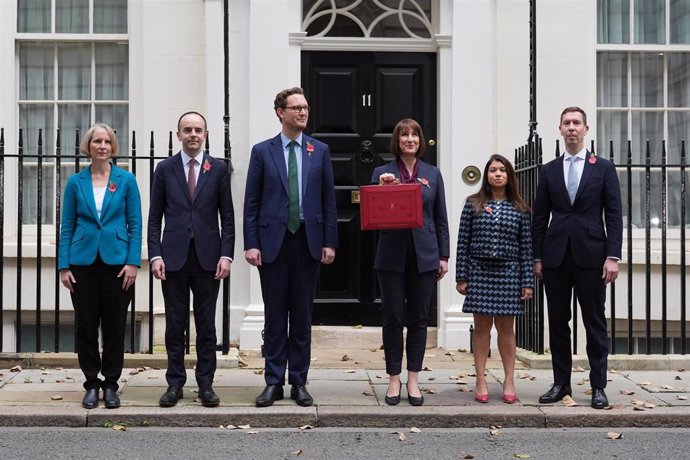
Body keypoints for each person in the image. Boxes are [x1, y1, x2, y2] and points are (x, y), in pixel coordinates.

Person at [244, 87, 338, 408]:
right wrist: (251, 243)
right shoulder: (262, 151)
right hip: (273, 244)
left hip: (308, 243)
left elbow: (328, 200)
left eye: (305, 108)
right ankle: (273, 381)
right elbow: (251, 202)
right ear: (280, 112)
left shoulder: (319, 150)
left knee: (301, 315)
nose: (302, 113)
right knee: (274, 316)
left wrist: (329, 241)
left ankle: (299, 380)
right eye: (296, 108)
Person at [532, 106, 622, 409]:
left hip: (593, 257)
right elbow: (539, 216)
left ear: (586, 129)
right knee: (557, 322)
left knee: (595, 322)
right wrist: (537, 257)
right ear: (559, 130)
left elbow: (614, 214)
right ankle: (561, 384)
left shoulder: (603, 168)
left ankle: (598, 386)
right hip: (556, 257)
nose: (571, 128)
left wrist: (613, 256)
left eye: (576, 123)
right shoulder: (550, 169)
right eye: (566, 123)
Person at [147, 111, 235, 408]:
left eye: (198, 130)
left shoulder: (218, 169)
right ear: (178, 135)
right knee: (175, 324)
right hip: (173, 258)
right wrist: (155, 253)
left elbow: (228, 216)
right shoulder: (165, 169)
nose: (193, 134)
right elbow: (154, 217)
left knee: (207, 325)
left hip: (209, 259)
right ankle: (174, 384)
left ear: (206, 134)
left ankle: (206, 385)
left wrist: (226, 254)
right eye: (187, 130)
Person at [58, 123, 142, 409]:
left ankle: (111, 384)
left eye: (107, 141)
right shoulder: (75, 183)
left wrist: (133, 262)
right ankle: (91, 383)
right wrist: (63, 266)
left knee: (115, 326)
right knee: (86, 326)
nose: (102, 146)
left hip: (117, 264)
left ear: (113, 147)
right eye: (97, 141)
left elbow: (136, 223)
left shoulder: (126, 180)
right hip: (82, 263)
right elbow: (67, 225)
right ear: (88, 146)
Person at [371, 118, 450, 406]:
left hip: (425, 255)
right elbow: (372, 213)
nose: (409, 139)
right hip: (391, 254)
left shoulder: (432, 173)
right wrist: (381, 188)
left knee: (419, 319)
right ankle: (393, 379)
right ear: (397, 140)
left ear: (421, 140)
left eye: (414, 134)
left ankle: (414, 379)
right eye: (404, 135)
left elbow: (440, 218)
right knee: (392, 318)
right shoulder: (381, 172)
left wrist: (443, 256)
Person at [455, 154, 533, 404]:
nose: (497, 174)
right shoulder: (473, 204)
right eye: (492, 170)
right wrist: (462, 276)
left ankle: (509, 379)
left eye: (502, 170)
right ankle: (480, 379)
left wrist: (527, 281)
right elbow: (462, 243)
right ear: (486, 176)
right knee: (481, 328)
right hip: (479, 272)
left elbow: (526, 248)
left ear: (509, 176)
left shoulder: (520, 209)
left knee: (506, 328)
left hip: (509, 273)